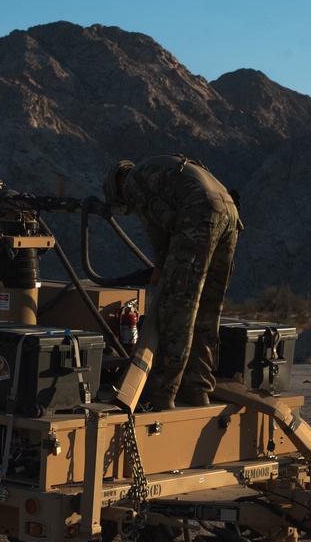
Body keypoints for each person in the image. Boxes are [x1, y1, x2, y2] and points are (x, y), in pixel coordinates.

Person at [103, 153, 242, 410]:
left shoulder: (134, 181)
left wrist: (160, 265)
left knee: (179, 309)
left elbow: (160, 222)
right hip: (230, 215)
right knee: (207, 311)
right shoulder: (162, 165)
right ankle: (197, 388)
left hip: (199, 215)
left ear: (118, 186)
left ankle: (162, 392)